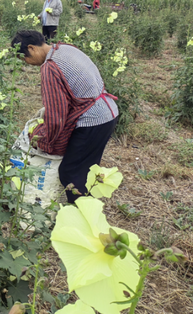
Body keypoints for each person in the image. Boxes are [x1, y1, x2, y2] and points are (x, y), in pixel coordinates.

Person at [11, 30, 118, 203]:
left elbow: (56, 117)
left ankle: (80, 216)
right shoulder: (64, 49)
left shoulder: (50, 66)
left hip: (92, 121)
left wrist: (45, 139)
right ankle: (89, 205)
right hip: (108, 113)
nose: (28, 64)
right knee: (87, 169)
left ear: (31, 48)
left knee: (71, 172)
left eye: (25, 59)